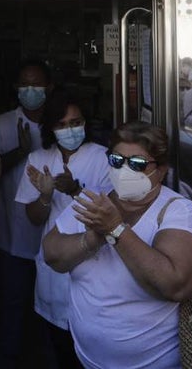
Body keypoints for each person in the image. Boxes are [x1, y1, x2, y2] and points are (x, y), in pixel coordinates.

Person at [42, 122, 192, 369]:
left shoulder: (180, 212)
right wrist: (92, 238)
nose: (124, 170)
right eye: (116, 160)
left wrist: (116, 229)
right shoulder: (93, 201)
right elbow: (52, 255)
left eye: (137, 164)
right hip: (88, 361)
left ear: (162, 170)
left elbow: (174, 285)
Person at [15, 92, 112, 368]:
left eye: (76, 122)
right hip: (54, 273)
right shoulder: (38, 158)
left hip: (94, 267)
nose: (70, 130)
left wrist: (75, 190)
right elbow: (33, 219)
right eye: (62, 124)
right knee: (59, 351)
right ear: (50, 129)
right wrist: (45, 197)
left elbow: (111, 212)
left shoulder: (104, 158)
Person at [0, 58, 52, 367]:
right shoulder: (0, 125)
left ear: (48, 89)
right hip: (10, 237)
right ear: (16, 89)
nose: (30, 91)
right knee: (10, 310)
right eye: (25, 85)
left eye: (36, 85)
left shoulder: (59, 125)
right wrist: (21, 152)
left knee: (48, 312)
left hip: (50, 238)